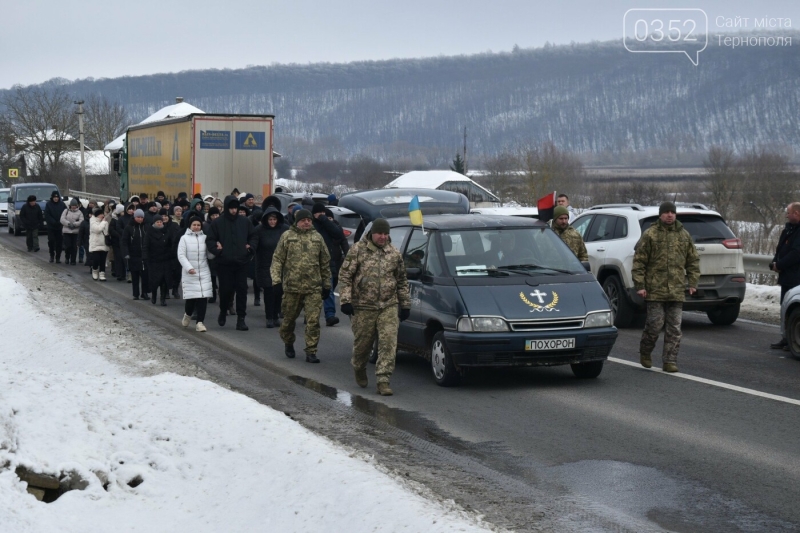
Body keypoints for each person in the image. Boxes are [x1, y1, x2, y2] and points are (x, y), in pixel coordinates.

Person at [338, 218, 411, 396]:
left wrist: (405, 303)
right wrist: (346, 300)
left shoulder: (394, 254)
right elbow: (345, 276)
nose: (383, 237)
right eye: (380, 233)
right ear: (372, 234)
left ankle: (383, 380)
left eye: (386, 234)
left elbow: (401, 280)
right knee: (363, 345)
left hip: (388, 305)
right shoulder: (358, 251)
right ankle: (359, 367)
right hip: (363, 306)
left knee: (388, 344)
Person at [632, 201, 700, 373]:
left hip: (676, 290)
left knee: (674, 328)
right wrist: (640, 285)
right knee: (655, 325)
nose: (670, 215)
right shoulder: (650, 235)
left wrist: (692, 282)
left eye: (672, 212)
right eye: (666, 212)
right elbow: (639, 261)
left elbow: (692, 261)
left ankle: (670, 360)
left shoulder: (684, 235)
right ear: (660, 214)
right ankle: (646, 351)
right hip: (655, 290)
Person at [270, 209, 331, 363]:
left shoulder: (317, 238)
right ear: (297, 221)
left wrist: (327, 284)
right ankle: (288, 341)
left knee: (313, 321)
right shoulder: (287, 236)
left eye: (309, 220)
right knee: (288, 321)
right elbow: (277, 260)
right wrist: (276, 281)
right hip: (292, 287)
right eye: (303, 220)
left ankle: (311, 351)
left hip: (313, 288)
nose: (306, 222)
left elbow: (325, 262)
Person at [206, 196, 258, 331]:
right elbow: (210, 240)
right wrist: (217, 251)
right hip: (224, 263)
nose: (234, 211)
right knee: (225, 290)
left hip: (242, 262)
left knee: (242, 290)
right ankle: (223, 310)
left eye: (236, 208)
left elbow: (253, 236)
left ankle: (241, 319)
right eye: (231, 208)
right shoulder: (218, 223)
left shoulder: (245, 222)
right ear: (226, 208)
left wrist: (250, 247)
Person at [770, 202, 800, 349]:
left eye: (789, 212)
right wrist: (775, 262)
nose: (787, 215)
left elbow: (796, 254)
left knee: (794, 308)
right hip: (786, 276)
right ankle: (785, 337)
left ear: (797, 214)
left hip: (796, 277)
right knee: (784, 306)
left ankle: (792, 339)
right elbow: (781, 249)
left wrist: (780, 265)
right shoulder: (788, 229)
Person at [311, 203, 346, 326]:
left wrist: (325, 221)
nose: (321, 215)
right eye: (318, 213)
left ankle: (330, 315)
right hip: (312, 262)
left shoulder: (328, 224)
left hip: (327, 261)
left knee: (329, 288)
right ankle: (310, 314)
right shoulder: (310, 224)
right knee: (311, 290)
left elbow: (339, 235)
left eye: (323, 213)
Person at [178, 214, 213, 332]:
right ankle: (187, 314)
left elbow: (209, 255)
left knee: (203, 297)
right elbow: (181, 255)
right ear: (190, 226)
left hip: (203, 271)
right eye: (194, 225)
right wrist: (189, 268)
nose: (197, 227)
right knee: (192, 298)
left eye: (199, 225)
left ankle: (200, 323)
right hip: (190, 272)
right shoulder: (184, 238)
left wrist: (216, 250)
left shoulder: (205, 238)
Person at [255, 208, 289, 328]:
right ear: (266, 220)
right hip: (265, 265)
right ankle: (269, 316)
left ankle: (276, 315)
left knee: (278, 292)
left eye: (274, 219)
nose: (272, 222)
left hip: (281, 265)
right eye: (270, 219)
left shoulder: (284, 229)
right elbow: (254, 244)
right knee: (269, 292)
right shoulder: (259, 230)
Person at [143, 215, 174, 306]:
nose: (159, 223)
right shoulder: (150, 232)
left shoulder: (167, 231)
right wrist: (145, 257)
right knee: (154, 280)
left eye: (160, 222)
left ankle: (163, 298)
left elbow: (171, 244)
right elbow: (146, 246)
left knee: (164, 281)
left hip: (165, 259)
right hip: (153, 260)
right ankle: (154, 295)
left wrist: (171, 255)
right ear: (154, 223)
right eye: (157, 222)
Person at [121, 209, 150, 300]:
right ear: (134, 217)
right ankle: (136, 294)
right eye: (138, 217)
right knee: (135, 275)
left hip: (145, 255)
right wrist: (126, 253)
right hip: (133, 255)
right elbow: (124, 242)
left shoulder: (146, 227)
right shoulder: (129, 228)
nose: (140, 219)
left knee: (145, 275)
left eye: (141, 217)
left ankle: (144, 293)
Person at [44, 190, 66, 263]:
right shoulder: (48, 204)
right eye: (54, 197)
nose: (56, 198)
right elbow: (47, 215)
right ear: (52, 197)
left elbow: (65, 213)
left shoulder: (62, 204)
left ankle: (58, 257)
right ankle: (52, 255)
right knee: (51, 241)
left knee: (59, 243)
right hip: (51, 227)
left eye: (57, 197)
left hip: (60, 226)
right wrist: (53, 222)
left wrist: (61, 222)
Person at [60, 199, 84, 265]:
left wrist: (74, 224)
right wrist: (68, 224)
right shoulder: (66, 211)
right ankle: (67, 257)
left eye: (75, 205)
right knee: (68, 246)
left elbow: (81, 221)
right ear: (70, 205)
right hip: (66, 231)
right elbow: (62, 219)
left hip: (75, 232)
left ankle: (73, 260)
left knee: (74, 247)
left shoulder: (80, 212)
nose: (73, 207)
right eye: (72, 205)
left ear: (77, 206)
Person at [88, 208, 110, 281]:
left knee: (103, 260)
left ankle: (102, 273)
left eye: (103, 214)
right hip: (96, 244)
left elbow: (106, 232)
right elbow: (97, 230)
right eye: (101, 214)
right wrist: (103, 223)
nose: (102, 215)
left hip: (104, 243)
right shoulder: (92, 221)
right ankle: (95, 270)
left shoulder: (105, 222)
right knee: (96, 259)